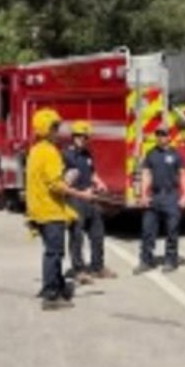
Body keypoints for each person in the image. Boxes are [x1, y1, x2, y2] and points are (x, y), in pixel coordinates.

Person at [26, 108, 95, 311]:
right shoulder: (49, 152)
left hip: (39, 210)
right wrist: (81, 194)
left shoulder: (36, 150)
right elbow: (56, 185)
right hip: (49, 211)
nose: (58, 130)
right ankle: (50, 295)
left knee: (52, 251)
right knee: (54, 253)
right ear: (45, 128)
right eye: (54, 127)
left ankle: (58, 286)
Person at [62, 120, 115, 284]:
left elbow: (92, 173)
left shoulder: (87, 154)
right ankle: (78, 270)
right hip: (75, 199)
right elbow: (62, 182)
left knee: (97, 234)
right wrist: (79, 192)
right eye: (79, 136)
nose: (82, 139)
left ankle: (97, 267)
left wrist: (100, 182)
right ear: (73, 137)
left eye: (85, 137)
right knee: (77, 236)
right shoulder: (65, 155)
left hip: (90, 198)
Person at [135, 126, 185, 274]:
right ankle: (146, 260)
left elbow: (183, 174)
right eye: (158, 134)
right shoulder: (151, 154)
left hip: (171, 196)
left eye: (163, 135)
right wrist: (144, 195)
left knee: (172, 230)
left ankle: (171, 260)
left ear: (169, 137)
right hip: (155, 195)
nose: (160, 137)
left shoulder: (176, 154)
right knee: (148, 230)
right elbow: (146, 174)